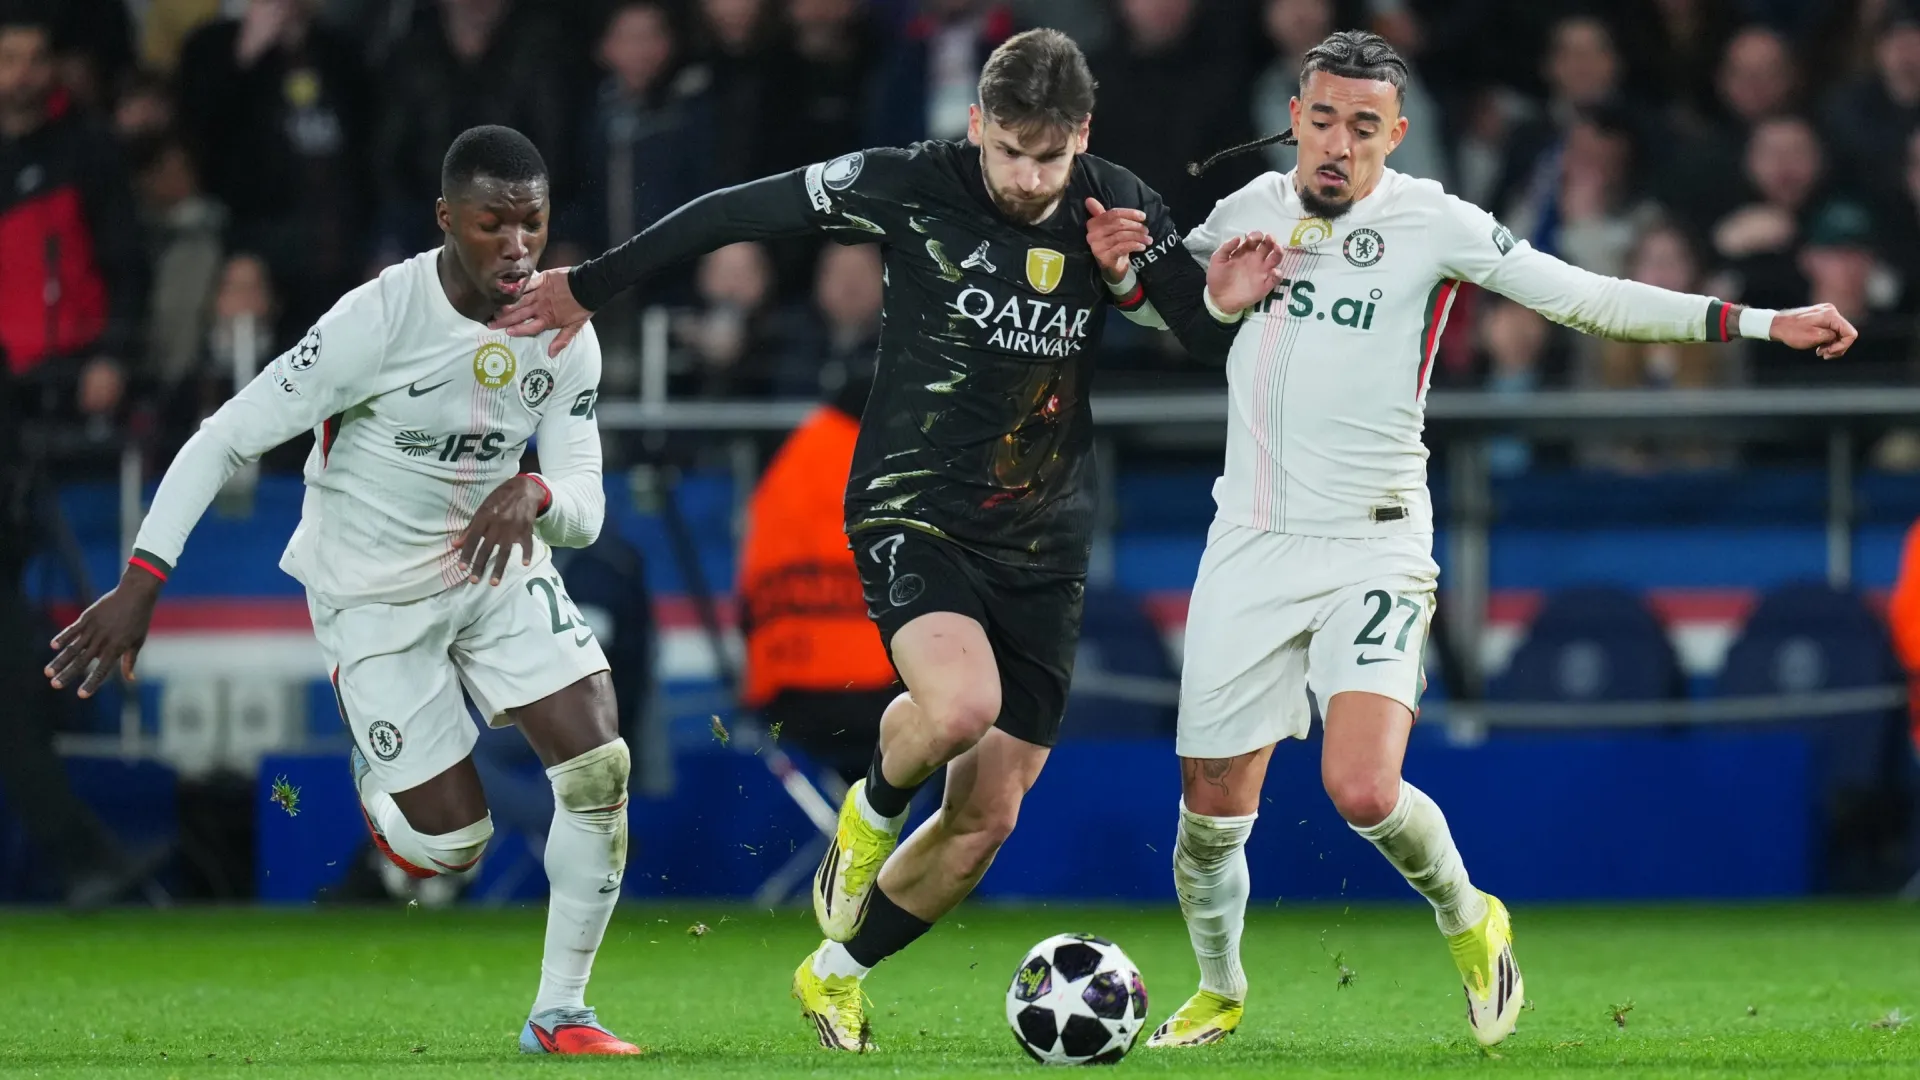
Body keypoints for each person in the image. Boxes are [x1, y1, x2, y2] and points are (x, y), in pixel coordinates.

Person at [489, 27, 1284, 1051]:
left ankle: (833, 973)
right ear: (976, 125)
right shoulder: (909, 182)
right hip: (914, 504)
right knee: (960, 706)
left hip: (1043, 540)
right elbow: (743, 208)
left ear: (1081, 135)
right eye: (1009, 152)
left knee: (987, 818)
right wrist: (593, 282)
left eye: (1049, 157)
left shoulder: (1116, 201)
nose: (1028, 179)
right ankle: (867, 812)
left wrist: (1199, 292)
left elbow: (1196, 329)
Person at [1099, 29, 1857, 1050]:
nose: (1336, 143)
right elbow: (1178, 318)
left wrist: (1760, 322)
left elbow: (1588, 299)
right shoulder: (1245, 212)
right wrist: (1124, 283)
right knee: (1207, 815)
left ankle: (1469, 916)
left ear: (1395, 135)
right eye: (1321, 118)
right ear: (1295, 115)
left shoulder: (1435, 222)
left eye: (1363, 127)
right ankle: (1221, 987)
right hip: (1250, 538)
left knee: (1361, 789)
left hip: (1374, 540)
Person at [44, 126, 640, 1057]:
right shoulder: (377, 319)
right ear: (448, 221)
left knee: (600, 766)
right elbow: (224, 438)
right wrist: (141, 580)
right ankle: (383, 775)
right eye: (494, 226)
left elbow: (589, 507)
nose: (519, 247)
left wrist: (538, 491)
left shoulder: (565, 329)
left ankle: (561, 1012)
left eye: (534, 223)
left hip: (495, 567)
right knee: (451, 850)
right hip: (371, 593)